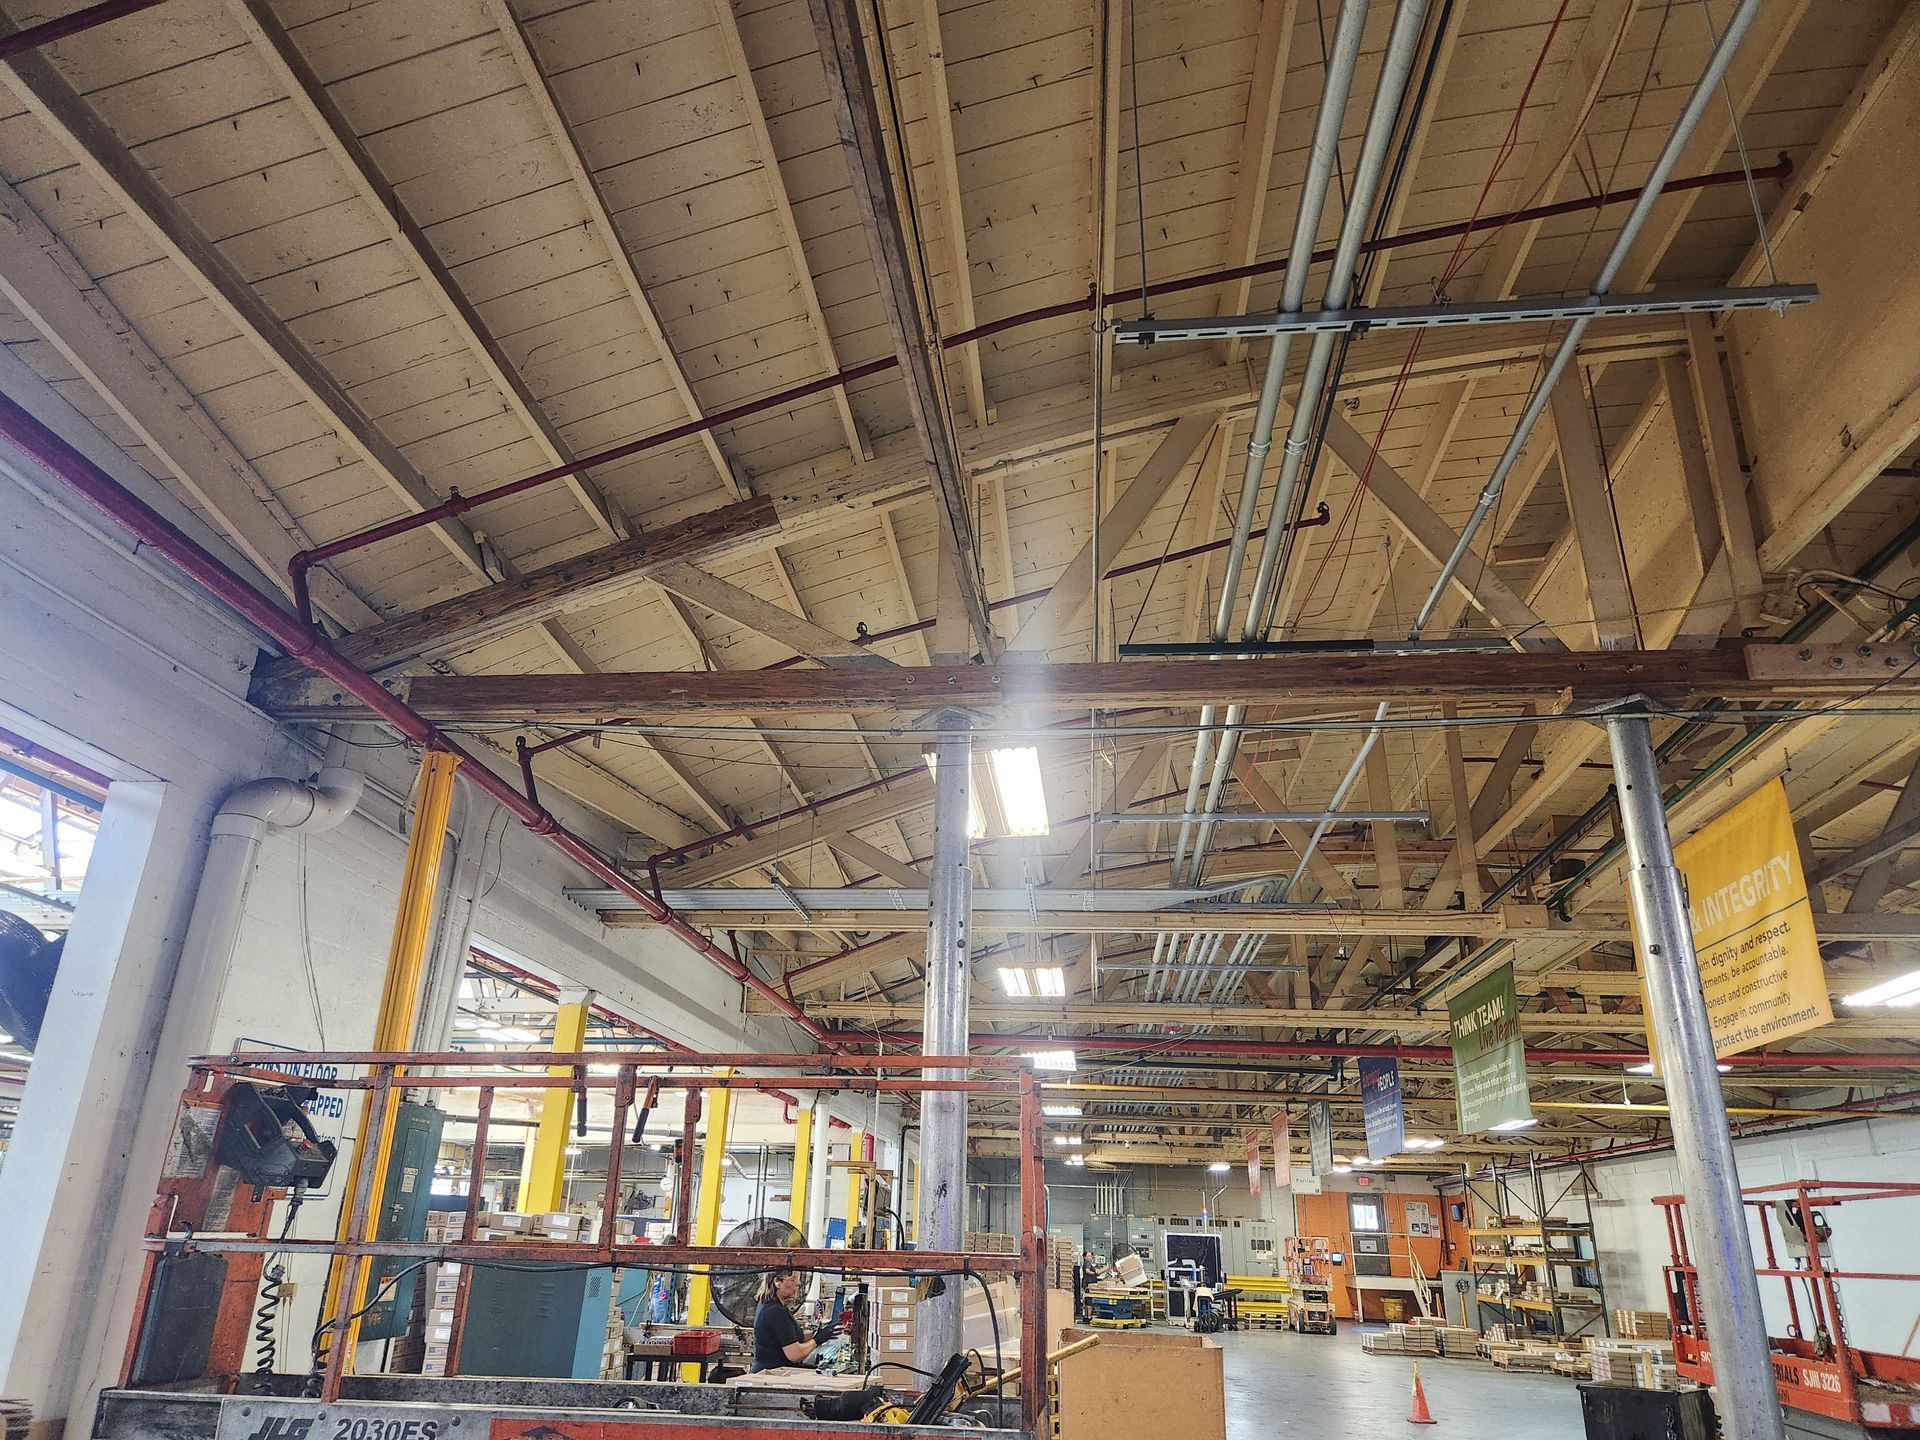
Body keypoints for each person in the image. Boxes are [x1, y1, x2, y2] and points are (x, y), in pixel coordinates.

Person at [750, 1265, 838, 1372]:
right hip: (769, 1375)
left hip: (773, 1372)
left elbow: (789, 1338)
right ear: (777, 1282)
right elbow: (795, 1354)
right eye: (793, 1279)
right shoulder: (775, 1311)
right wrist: (817, 1340)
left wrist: (817, 1333)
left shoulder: (771, 1305)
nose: (798, 1283)